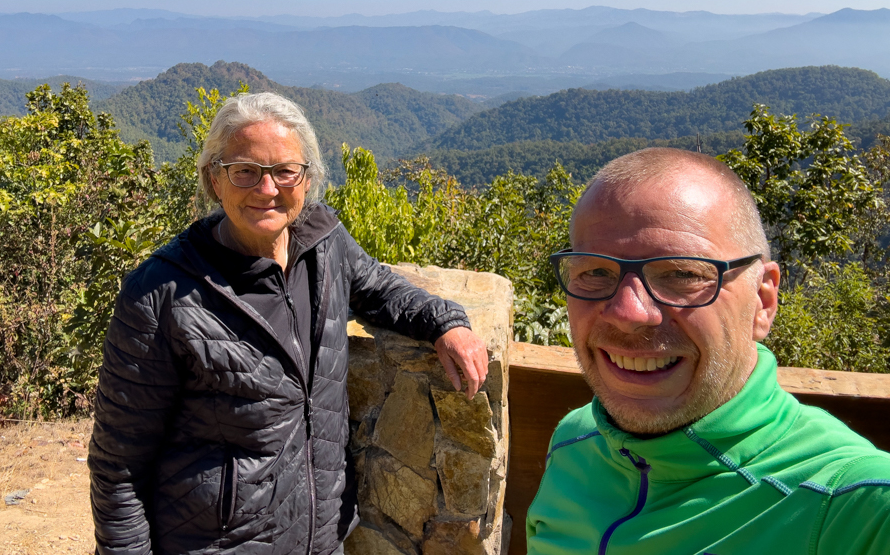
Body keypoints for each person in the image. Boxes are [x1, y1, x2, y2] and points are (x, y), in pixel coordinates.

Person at [88, 92, 488, 555]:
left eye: (285, 171)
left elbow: (380, 289)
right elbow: (118, 466)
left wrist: (447, 323)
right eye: (245, 171)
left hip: (321, 537)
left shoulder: (323, 242)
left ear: (307, 178)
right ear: (215, 180)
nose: (267, 189)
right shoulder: (162, 293)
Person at [527, 147, 890, 554]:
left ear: (763, 301)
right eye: (594, 271)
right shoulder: (577, 438)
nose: (629, 313)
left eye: (682, 274)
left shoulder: (857, 506)